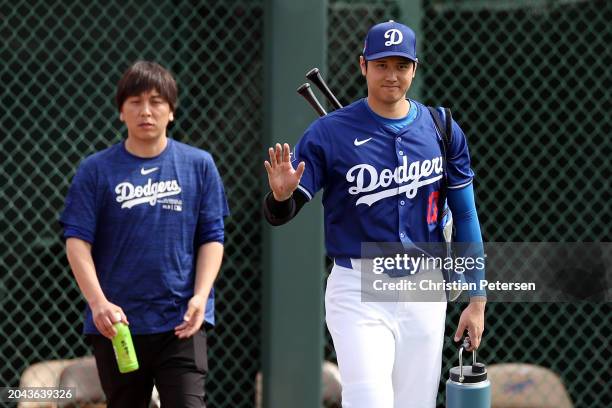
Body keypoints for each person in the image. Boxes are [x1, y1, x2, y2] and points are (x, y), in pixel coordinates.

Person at [263, 21, 486, 407]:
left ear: (414, 69)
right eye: (382, 65)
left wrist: (478, 299)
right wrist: (281, 195)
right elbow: (280, 213)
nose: (392, 75)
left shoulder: (442, 127)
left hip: (424, 287)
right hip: (358, 287)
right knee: (369, 399)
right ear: (363, 65)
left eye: (401, 66)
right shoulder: (329, 132)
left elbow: (465, 215)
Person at [60, 61, 229, 408]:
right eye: (135, 102)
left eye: (156, 101)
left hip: (182, 322)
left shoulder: (199, 165)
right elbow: (77, 241)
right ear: (121, 111)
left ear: (171, 111)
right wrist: (98, 304)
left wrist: (200, 296)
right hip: (117, 324)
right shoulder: (96, 170)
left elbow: (212, 237)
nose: (146, 111)